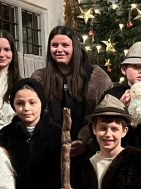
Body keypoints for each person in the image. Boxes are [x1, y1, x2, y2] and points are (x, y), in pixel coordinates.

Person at [31, 26, 112, 157]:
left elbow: (103, 115)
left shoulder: (97, 78)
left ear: (74, 47)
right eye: (54, 45)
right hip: (49, 152)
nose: (59, 50)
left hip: (87, 152)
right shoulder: (40, 78)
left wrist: (84, 141)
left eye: (65, 45)